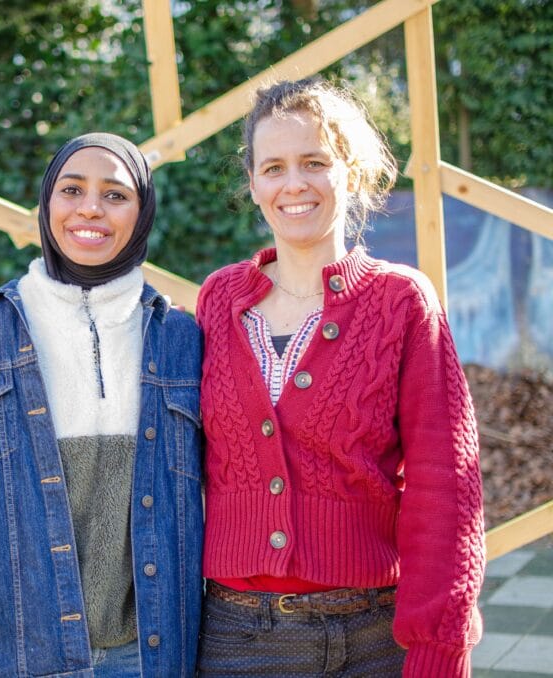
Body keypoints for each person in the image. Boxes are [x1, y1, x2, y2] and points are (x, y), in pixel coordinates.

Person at [195, 77, 485, 677]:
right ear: (253, 183)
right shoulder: (219, 299)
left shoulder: (401, 301)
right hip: (234, 639)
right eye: (273, 167)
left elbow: (445, 486)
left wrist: (438, 648)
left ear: (349, 171)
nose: (293, 184)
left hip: (372, 639)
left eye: (314, 162)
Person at [0, 133, 203, 677]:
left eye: (115, 195)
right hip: (19, 652)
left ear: (143, 212)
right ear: (46, 205)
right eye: (71, 189)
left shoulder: (180, 337)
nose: (91, 207)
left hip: (150, 654)